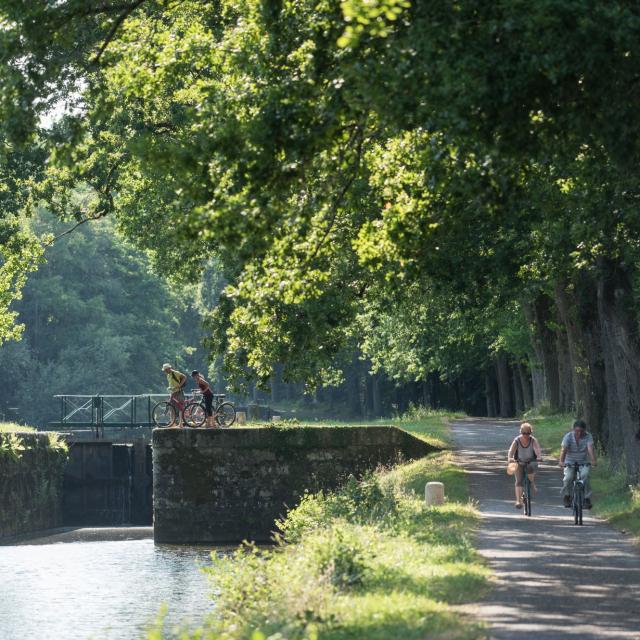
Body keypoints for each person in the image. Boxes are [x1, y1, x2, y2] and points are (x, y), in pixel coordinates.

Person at [559, 419, 597, 509]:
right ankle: (567, 496)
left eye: (581, 431)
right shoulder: (568, 436)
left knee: (585, 476)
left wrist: (593, 460)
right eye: (577, 431)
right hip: (569, 462)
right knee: (568, 478)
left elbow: (590, 449)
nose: (579, 433)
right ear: (573, 430)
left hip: (583, 462)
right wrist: (561, 461)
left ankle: (587, 498)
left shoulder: (588, 436)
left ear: (585, 430)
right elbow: (564, 449)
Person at [507, 422, 542, 509]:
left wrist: (539, 457)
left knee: (531, 468)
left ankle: (532, 483)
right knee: (519, 481)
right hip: (519, 462)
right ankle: (519, 501)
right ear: (521, 432)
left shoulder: (533, 440)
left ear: (531, 433)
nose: (526, 435)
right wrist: (510, 458)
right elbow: (511, 451)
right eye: (524, 433)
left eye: (528, 433)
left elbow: (537, 449)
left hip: (531, 461)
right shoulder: (517, 440)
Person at [162, 363, 187, 427]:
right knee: (171, 407)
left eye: (165, 370)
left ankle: (181, 423)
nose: (165, 371)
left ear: (168, 369)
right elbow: (171, 384)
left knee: (180, 408)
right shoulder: (168, 375)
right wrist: (170, 388)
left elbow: (184, 377)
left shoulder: (175, 373)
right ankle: (172, 422)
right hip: (173, 393)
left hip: (179, 392)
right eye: (164, 370)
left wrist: (179, 385)